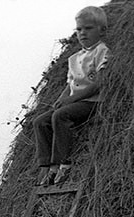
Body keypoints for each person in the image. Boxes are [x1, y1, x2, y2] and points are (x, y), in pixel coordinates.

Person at [27, 6, 110, 185]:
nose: (82, 33)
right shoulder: (74, 58)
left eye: (88, 29)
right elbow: (69, 85)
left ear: (102, 30)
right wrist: (61, 99)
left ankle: (63, 163)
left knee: (60, 116)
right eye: (79, 29)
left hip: (91, 101)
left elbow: (99, 83)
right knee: (40, 122)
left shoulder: (102, 51)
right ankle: (46, 165)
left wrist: (72, 99)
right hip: (74, 102)